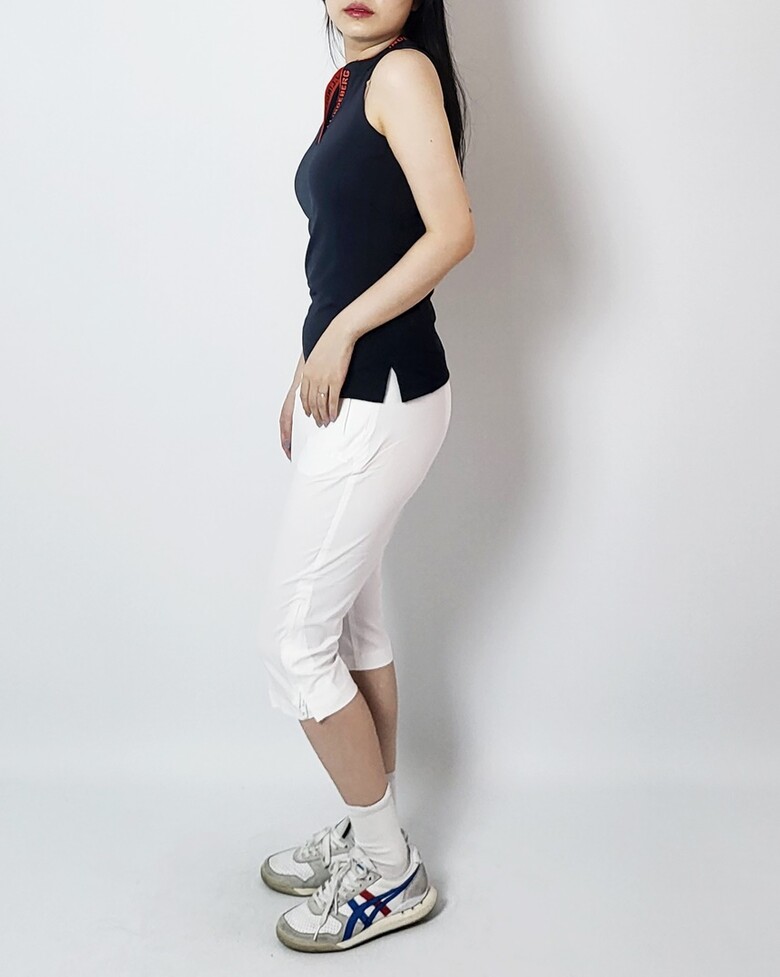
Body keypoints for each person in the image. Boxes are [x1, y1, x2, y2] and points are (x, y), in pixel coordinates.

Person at [258, 0, 475, 952]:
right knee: (353, 628)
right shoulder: (350, 83)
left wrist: (342, 335)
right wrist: (305, 367)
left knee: (293, 643)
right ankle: (368, 830)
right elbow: (348, 255)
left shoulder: (403, 74)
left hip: (384, 394)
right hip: (350, 393)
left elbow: (451, 230)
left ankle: (389, 871)